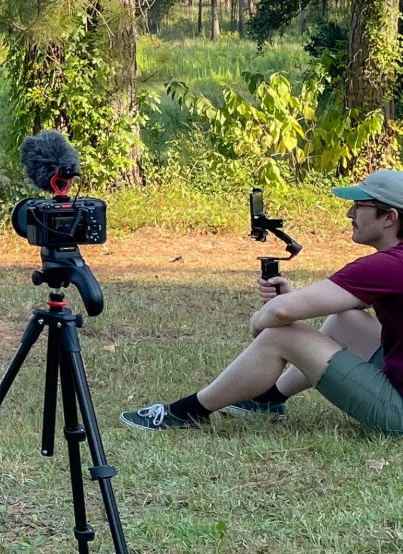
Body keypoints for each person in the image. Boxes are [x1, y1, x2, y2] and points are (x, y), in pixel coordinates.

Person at [121, 169, 403, 435]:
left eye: (359, 205)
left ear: (389, 217)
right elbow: (339, 303)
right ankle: (267, 399)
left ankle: (185, 413)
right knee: (347, 319)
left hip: (398, 411)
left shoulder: (386, 266)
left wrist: (262, 320)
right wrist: (292, 300)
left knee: (282, 336)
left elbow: (281, 312)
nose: (349, 213)